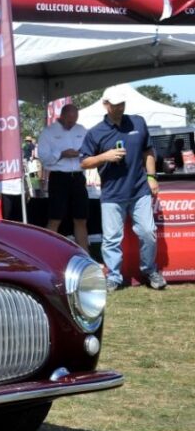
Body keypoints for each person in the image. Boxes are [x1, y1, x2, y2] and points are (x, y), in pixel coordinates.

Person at [80, 85, 166, 291]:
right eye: (116, 105)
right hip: (111, 194)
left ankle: (150, 270)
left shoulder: (138, 122)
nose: (120, 108)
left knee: (148, 232)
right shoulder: (95, 132)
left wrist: (152, 177)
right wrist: (104, 157)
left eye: (122, 104)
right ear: (105, 104)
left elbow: (148, 152)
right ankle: (114, 277)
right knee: (111, 240)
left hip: (139, 190)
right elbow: (83, 162)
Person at [37, 103, 89, 250]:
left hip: (78, 177)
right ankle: (46, 254)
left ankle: (85, 255)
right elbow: (44, 159)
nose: (71, 123)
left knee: (81, 218)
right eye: (69, 120)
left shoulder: (82, 130)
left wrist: (82, 153)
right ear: (62, 116)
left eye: (74, 120)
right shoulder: (48, 132)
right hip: (59, 178)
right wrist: (61, 154)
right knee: (55, 218)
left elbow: (90, 150)